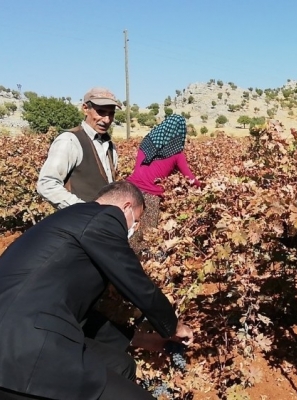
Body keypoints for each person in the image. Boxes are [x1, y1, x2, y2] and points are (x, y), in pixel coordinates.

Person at [0, 181, 193, 399]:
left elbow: (78, 314)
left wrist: (145, 340)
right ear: (126, 206)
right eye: (136, 220)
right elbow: (134, 280)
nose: (134, 228)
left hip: (23, 330)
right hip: (23, 348)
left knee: (121, 365)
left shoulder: (71, 222)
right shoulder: (104, 217)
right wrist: (173, 326)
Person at [37, 87, 121, 209]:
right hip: (76, 223)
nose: (107, 120)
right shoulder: (69, 141)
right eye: (101, 112)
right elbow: (47, 184)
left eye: (111, 114)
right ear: (85, 109)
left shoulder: (110, 146)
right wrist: (82, 210)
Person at [126, 114, 201, 251]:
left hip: (129, 190)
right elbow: (190, 178)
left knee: (124, 231)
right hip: (150, 197)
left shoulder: (146, 143)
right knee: (145, 238)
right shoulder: (176, 153)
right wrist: (202, 186)